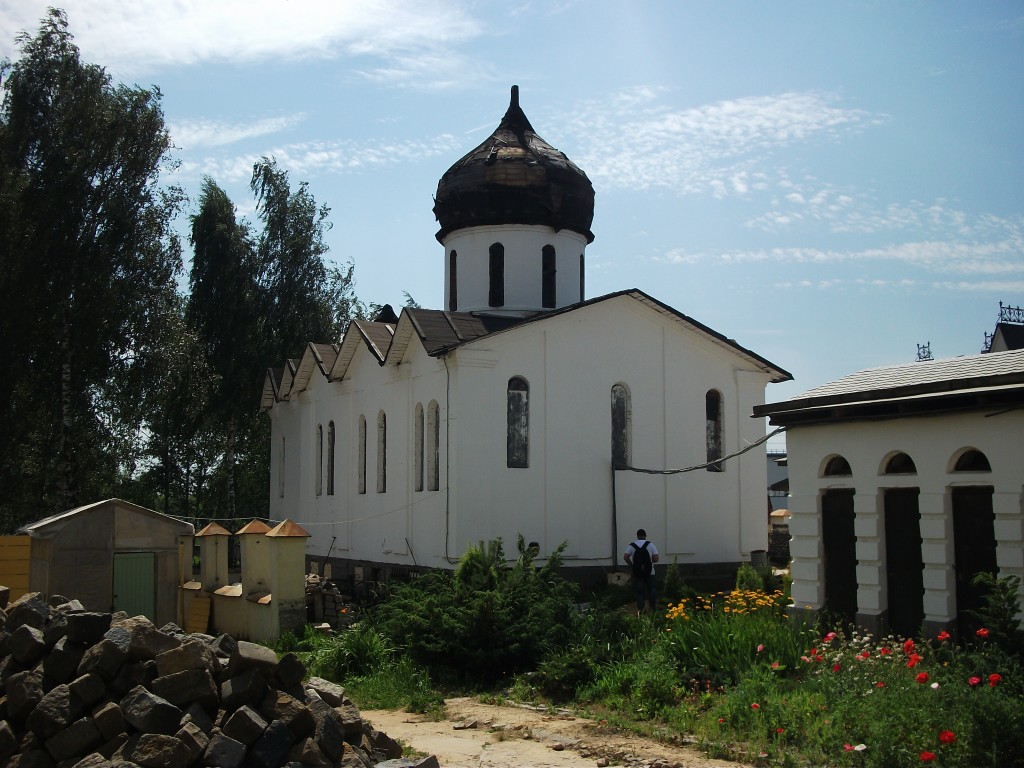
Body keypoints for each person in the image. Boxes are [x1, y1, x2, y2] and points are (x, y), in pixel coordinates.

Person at [623, 528, 660, 614]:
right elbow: (656, 558)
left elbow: (625, 557)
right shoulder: (650, 545)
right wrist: (650, 562)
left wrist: (632, 566)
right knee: (652, 589)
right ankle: (652, 608)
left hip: (637, 572)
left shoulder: (632, 545)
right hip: (650, 572)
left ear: (637, 536)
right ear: (645, 535)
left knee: (639, 592)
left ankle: (641, 610)